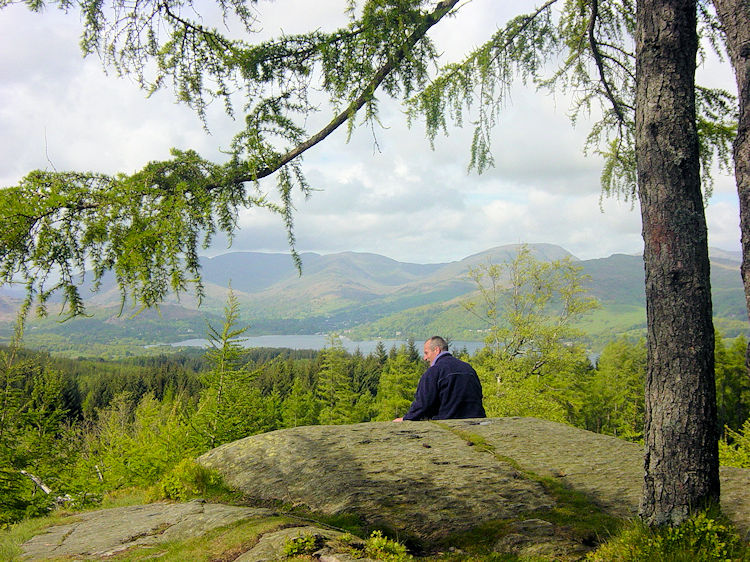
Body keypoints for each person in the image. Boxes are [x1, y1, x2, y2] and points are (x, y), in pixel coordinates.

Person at [393, 336, 486, 421]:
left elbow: (422, 404)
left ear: (436, 350)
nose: (425, 358)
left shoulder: (433, 372)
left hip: (448, 427)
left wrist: (406, 418)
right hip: (476, 424)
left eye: (426, 353)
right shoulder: (468, 369)